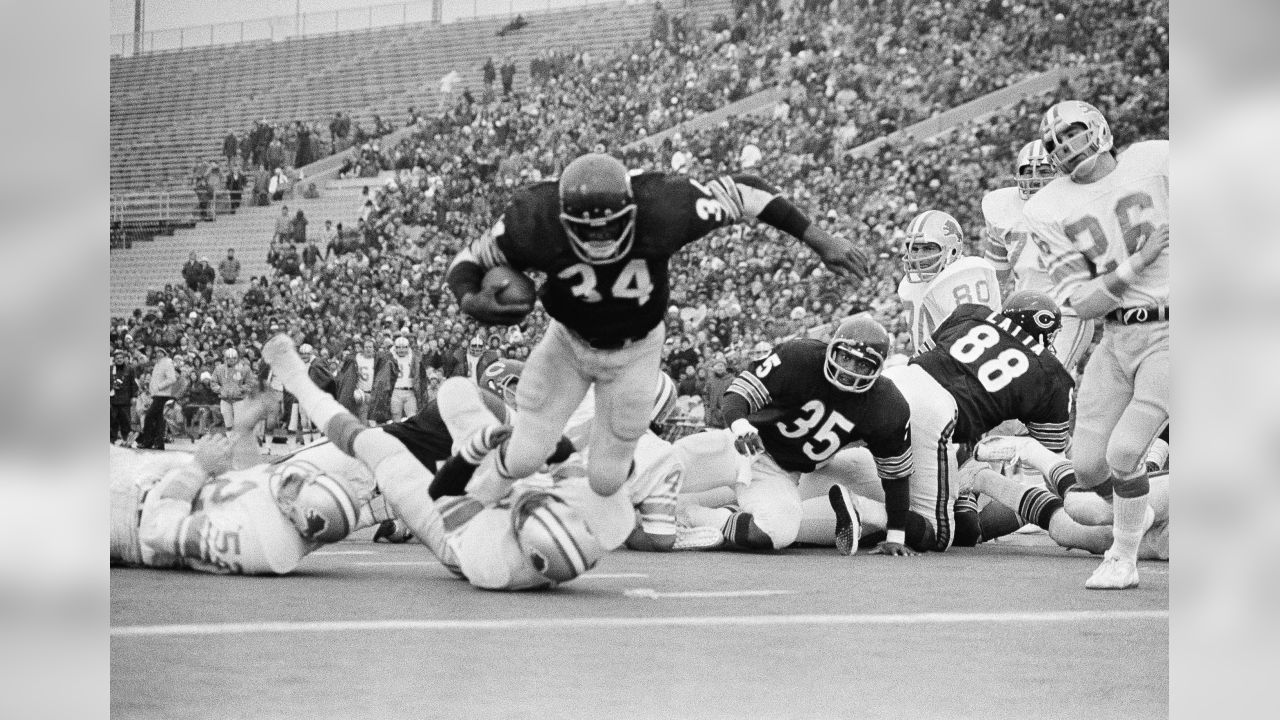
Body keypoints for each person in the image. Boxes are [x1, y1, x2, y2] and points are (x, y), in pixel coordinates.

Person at [446, 153, 867, 504]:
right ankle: (474, 492)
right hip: (567, 343)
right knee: (523, 456)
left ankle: (572, 484)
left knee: (607, 480)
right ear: (561, 218)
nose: (599, 237)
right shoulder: (532, 219)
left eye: (611, 225)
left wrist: (818, 238)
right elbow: (466, 261)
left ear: (632, 211)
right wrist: (471, 298)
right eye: (586, 228)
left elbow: (746, 191)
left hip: (636, 351)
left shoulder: (665, 207)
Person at [261, 334, 607, 590]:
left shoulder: (490, 557)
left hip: (453, 522)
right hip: (451, 486)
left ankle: (298, 386)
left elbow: (450, 490)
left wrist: (480, 449)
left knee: (342, 466)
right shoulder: (560, 529)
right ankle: (383, 516)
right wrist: (565, 461)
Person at [1023, 100, 1170, 590]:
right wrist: (1139, 261)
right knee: (1087, 467)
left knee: (1126, 452)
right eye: (1054, 143)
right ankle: (1139, 510)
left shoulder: (1154, 159)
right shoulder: (1046, 207)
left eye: (1073, 133)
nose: (1065, 146)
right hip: (1115, 336)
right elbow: (1082, 304)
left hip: (1175, 329)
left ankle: (1122, 555)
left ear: (1100, 128)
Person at [677, 315, 917, 554]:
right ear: (831, 348)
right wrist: (740, 425)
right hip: (742, 446)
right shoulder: (800, 356)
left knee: (778, 530)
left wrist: (896, 535)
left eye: (862, 365)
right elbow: (740, 391)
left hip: (780, 474)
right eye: (845, 357)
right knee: (663, 466)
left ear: (877, 368)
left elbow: (896, 476)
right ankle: (667, 510)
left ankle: (691, 517)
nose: (849, 370)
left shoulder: (887, 405)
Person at [109, 397, 371, 575]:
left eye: (297, 485)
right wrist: (244, 430)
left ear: (301, 513)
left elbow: (159, 530)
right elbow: (247, 484)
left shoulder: (259, 542)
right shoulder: (289, 518)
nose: (292, 478)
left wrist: (198, 469)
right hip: (138, 478)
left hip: (126, 514)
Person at [982, 140, 1093, 374]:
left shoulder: (1077, 205)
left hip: (1067, 312)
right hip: (1023, 314)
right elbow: (996, 278)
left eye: (1044, 171)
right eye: (1027, 171)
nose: (1035, 178)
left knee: (1047, 379)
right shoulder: (1002, 210)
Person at [898, 209, 1001, 354]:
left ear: (952, 250)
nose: (918, 256)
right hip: (928, 364)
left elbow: (975, 340)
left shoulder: (964, 274)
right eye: (914, 248)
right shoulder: (909, 284)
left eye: (928, 248)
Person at [137, 347, 177, 450]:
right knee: (159, 419)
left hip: (162, 394)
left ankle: (147, 442)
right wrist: (153, 390)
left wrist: (159, 387)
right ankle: (158, 443)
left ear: (165, 353)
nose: (158, 354)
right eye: (157, 352)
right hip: (157, 394)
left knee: (149, 416)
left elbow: (172, 378)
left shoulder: (167, 363)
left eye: (161, 352)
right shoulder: (158, 364)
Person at [211, 347, 254, 431]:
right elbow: (213, 382)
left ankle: (239, 441)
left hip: (239, 399)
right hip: (225, 399)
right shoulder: (219, 369)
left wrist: (240, 389)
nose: (231, 360)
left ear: (237, 358)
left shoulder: (245, 368)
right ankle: (231, 441)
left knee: (239, 422)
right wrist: (221, 389)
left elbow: (250, 383)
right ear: (225, 358)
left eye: (234, 358)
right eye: (228, 358)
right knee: (228, 423)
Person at [388, 336, 422, 421]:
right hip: (396, 391)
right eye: (398, 347)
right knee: (396, 418)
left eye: (404, 347)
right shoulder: (391, 359)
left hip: (410, 391)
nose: (401, 350)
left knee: (412, 418)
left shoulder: (412, 358)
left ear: (408, 348)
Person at [110, 349, 138, 445]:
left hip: (125, 400)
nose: (119, 360)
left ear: (124, 359)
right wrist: (111, 386)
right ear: (114, 359)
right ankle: (111, 440)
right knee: (112, 420)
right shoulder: (110, 369)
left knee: (125, 421)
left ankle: (126, 440)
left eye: (121, 358)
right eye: (117, 358)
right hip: (113, 399)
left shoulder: (130, 369)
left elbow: (134, 384)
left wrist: (134, 396)